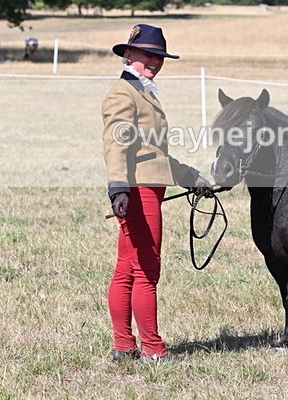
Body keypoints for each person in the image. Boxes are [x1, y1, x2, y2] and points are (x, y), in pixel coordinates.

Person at [102, 23, 212, 364]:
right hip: (138, 192)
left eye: (159, 56)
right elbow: (116, 144)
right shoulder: (123, 94)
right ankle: (153, 349)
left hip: (147, 187)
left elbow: (155, 154)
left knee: (127, 269)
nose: (154, 61)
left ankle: (124, 346)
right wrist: (118, 187)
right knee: (146, 271)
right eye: (148, 55)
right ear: (129, 54)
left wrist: (193, 177)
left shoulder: (145, 92)